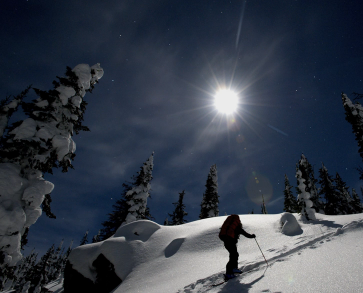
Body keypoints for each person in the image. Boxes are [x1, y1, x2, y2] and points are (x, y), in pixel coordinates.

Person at [219, 214, 256, 280]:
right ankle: (231, 271)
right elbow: (246, 234)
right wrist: (252, 236)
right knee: (233, 255)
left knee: (233, 255)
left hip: (226, 242)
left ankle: (232, 271)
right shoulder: (238, 228)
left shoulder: (229, 227)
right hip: (231, 242)